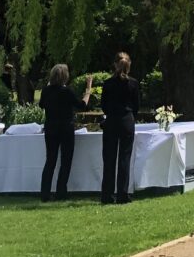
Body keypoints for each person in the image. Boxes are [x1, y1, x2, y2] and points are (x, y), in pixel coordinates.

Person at [39, 64, 92, 201]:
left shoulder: (46, 91)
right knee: (65, 160)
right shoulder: (67, 92)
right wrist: (88, 90)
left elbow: (41, 105)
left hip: (51, 127)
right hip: (65, 128)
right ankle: (61, 191)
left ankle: (45, 193)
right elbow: (82, 105)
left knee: (50, 160)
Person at [99, 51, 140, 204]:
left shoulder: (108, 83)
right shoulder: (133, 83)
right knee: (124, 157)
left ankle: (107, 194)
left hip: (111, 121)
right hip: (126, 120)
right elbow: (136, 106)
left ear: (115, 65)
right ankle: (123, 193)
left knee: (109, 158)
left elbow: (104, 106)